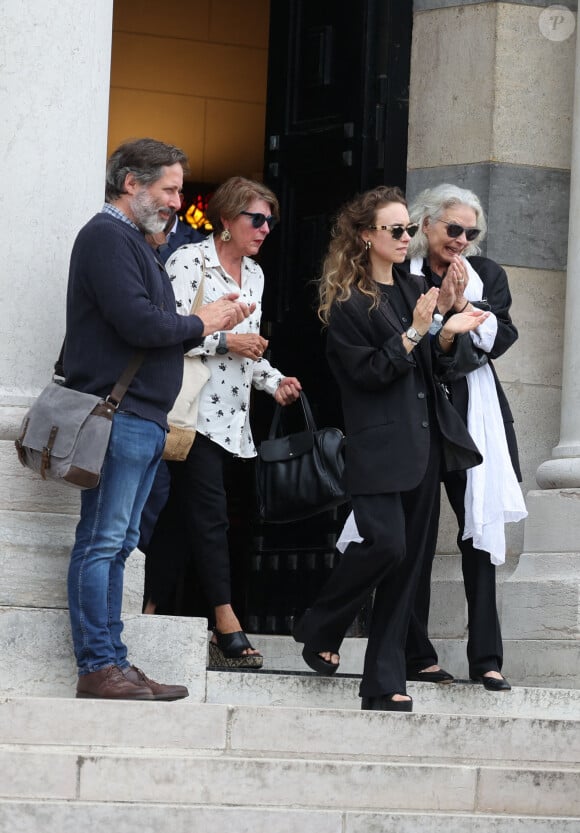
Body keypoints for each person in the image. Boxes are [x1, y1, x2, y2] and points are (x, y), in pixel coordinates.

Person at [63, 137, 249, 700]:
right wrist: (205, 322)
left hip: (143, 418)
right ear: (131, 184)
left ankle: (114, 660)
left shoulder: (135, 242)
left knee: (118, 544)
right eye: (168, 188)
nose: (176, 200)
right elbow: (140, 325)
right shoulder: (105, 237)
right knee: (103, 541)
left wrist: (199, 322)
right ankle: (99, 666)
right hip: (119, 417)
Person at [292, 185, 488, 712]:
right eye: (396, 230)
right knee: (387, 546)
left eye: (408, 229)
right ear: (366, 236)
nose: (406, 238)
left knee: (410, 566)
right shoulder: (348, 303)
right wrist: (416, 331)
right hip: (378, 447)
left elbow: (436, 369)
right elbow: (367, 373)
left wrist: (445, 333)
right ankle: (319, 622)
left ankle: (383, 681)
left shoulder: (413, 287)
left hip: (425, 444)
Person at [144, 176, 302, 668]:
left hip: (233, 419)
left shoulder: (253, 274)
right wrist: (225, 342)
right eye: (256, 219)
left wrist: (273, 381)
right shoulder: (190, 260)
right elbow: (166, 332)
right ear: (228, 220)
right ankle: (225, 622)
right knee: (209, 517)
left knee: (179, 516)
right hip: (190, 412)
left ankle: (147, 606)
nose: (265, 228)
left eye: (270, 221)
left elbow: (248, 348)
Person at [403, 183, 527, 692]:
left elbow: (502, 335)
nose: (462, 241)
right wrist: (447, 321)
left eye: (470, 233)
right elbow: (404, 341)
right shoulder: (401, 275)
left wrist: (459, 316)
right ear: (426, 224)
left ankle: (488, 658)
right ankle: (416, 653)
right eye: (453, 229)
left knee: (481, 532)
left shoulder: (487, 274)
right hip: (415, 409)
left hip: (473, 409)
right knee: (414, 534)